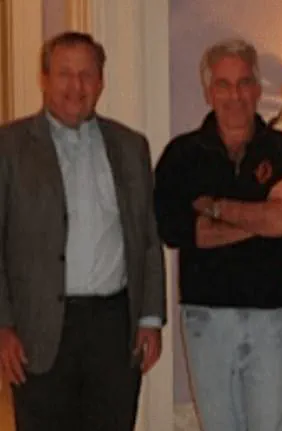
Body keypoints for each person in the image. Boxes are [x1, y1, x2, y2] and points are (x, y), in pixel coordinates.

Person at [0, 31, 166, 431]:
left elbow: (146, 237)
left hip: (114, 328)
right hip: (38, 331)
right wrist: (2, 326)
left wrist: (150, 318)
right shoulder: (9, 147)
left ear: (101, 81)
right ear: (44, 79)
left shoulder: (131, 146)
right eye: (64, 74)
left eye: (86, 74)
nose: (76, 86)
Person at [154, 39, 282, 431]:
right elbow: (179, 232)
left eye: (244, 83)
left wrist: (215, 208)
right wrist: (264, 214)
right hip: (206, 316)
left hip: (273, 316)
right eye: (223, 85)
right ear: (208, 92)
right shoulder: (181, 156)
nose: (235, 95)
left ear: (257, 88)